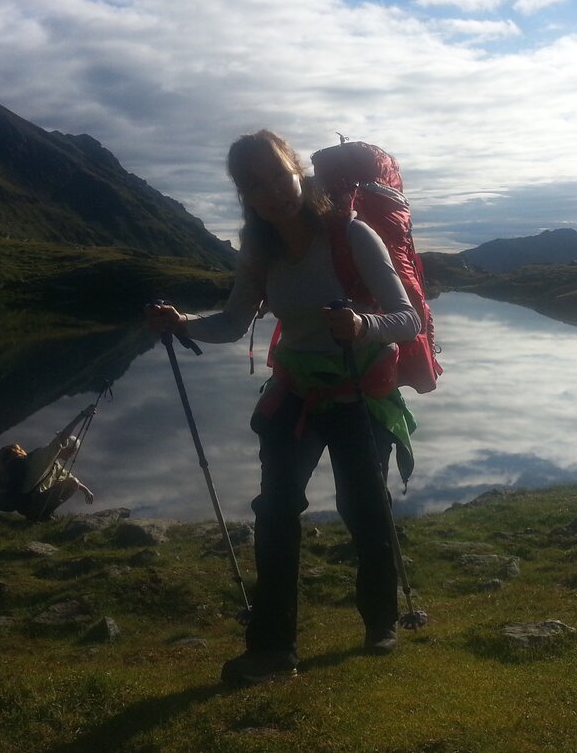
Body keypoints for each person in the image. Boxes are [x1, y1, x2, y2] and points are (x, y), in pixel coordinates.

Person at [147, 129, 420, 685]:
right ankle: (273, 647)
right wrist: (182, 323)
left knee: (364, 510)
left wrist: (364, 325)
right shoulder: (259, 252)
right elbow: (231, 323)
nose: (272, 190)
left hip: (357, 391)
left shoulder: (352, 234)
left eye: (277, 173)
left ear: (296, 168)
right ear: (244, 196)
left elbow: (407, 318)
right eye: (255, 184)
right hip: (295, 392)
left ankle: (380, 621)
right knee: (275, 513)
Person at [0, 405, 97, 521]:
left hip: (23, 501)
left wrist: (86, 491)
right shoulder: (46, 455)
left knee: (73, 482)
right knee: (72, 484)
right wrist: (83, 415)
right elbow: (63, 436)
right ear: (64, 447)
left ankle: (40, 514)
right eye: (72, 451)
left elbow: (70, 476)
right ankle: (40, 515)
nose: (72, 455)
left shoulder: (55, 465)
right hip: (27, 502)